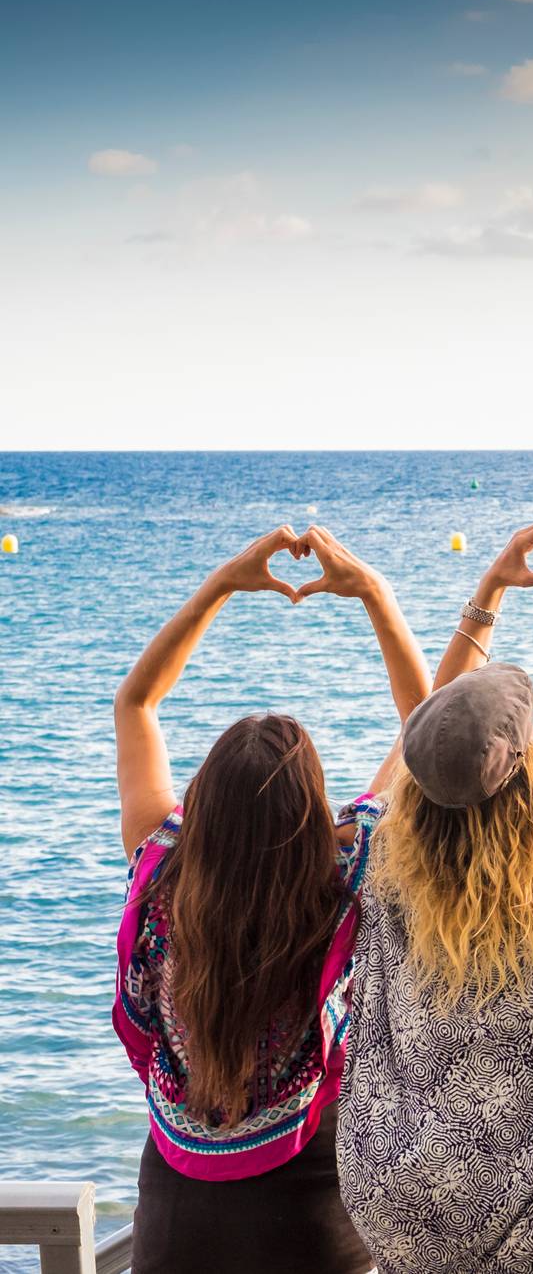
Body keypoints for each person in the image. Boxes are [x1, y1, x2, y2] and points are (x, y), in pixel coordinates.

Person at [338, 520, 533, 1274]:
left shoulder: (387, 861)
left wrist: (486, 595)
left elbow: (422, 745)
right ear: (523, 765)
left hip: (410, 1206)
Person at [113, 526, 428, 1274]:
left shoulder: (162, 874)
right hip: (311, 1207)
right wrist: (376, 597)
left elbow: (136, 703)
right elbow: (426, 732)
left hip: (175, 1213)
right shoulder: (346, 875)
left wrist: (224, 582)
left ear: (205, 804)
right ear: (310, 809)